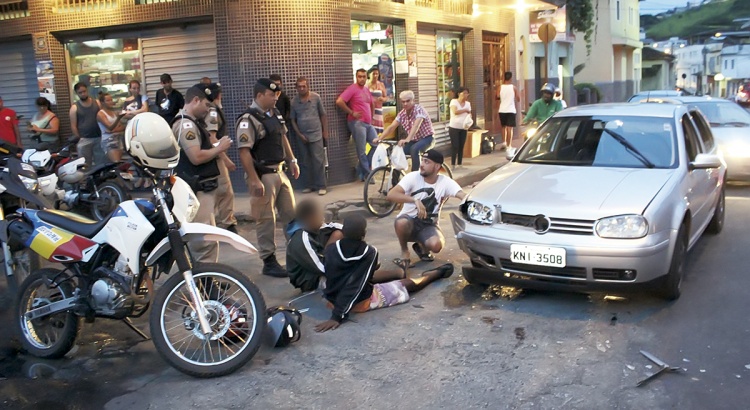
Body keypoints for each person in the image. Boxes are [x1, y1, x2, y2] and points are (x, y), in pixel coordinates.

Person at [314, 214, 454, 332]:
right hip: (359, 302)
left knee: (367, 275)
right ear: (363, 234)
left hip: (332, 300)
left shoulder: (331, 248)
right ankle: (435, 274)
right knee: (404, 285)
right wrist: (337, 316)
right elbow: (356, 285)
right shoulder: (370, 252)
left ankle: (400, 272)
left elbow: (334, 277)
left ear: (343, 231)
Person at [236, 78, 300, 278]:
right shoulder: (248, 119)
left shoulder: (275, 114)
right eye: (272, 95)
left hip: (280, 172)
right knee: (265, 219)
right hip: (263, 175)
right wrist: (254, 180)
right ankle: (269, 261)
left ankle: (298, 255)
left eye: (277, 95)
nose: (275, 98)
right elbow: (244, 152)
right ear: (259, 95)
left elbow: (283, 138)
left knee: (291, 215)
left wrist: (292, 160)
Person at [172, 85, 232, 263]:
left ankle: (208, 278)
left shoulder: (192, 122)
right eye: (206, 105)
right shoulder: (185, 123)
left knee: (207, 240)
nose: (207, 109)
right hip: (197, 191)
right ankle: (206, 283)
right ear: (195, 100)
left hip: (202, 190)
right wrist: (219, 148)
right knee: (204, 242)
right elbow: (196, 157)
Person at [386, 149, 466, 268]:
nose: (422, 165)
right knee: (401, 222)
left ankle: (422, 246)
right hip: (409, 222)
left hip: (428, 225)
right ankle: (404, 251)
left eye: (427, 162)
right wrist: (414, 200)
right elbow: (391, 194)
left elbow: (463, 196)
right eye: (422, 160)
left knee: (436, 245)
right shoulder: (413, 177)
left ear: (437, 166)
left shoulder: (445, 182)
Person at [201, 82, 238, 234]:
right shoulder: (212, 112)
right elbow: (212, 138)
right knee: (224, 191)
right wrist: (226, 160)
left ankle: (221, 222)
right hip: (215, 157)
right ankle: (226, 224)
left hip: (213, 155)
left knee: (222, 191)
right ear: (218, 95)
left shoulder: (211, 110)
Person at [285, 198, 343, 292]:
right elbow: (321, 268)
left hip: (322, 263)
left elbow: (344, 229)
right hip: (310, 280)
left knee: (338, 233)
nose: (322, 217)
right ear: (309, 219)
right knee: (354, 278)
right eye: (319, 215)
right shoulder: (301, 239)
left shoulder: (316, 226)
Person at [376, 90, 434, 173]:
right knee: (396, 152)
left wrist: (407, 139)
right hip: (414, 140)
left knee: (414, 149)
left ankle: (415, 176)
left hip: (427, 139)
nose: (405, 104)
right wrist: (380, 138)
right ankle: (395, 183)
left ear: (413, 100)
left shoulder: (419, 109)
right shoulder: (402, 114)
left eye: (408, 101)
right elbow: (391, 127)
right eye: (403, 102)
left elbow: (416, 126)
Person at [336, 68, 377, 181]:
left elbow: (372, 103)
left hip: (368, 123)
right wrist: (352, 112)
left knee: (376, 145)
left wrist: (372, 117)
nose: (362, 78)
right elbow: (339, 101)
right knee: (361, 150)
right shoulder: (352, 89)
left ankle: (360, 168)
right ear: (356, 77)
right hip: (357, 123)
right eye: (360, 76)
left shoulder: (366, 89)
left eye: (364, 76)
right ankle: (368, 175)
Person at [290, 77, 329, 195]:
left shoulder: (316, 97)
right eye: (299, 86)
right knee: (305, 161)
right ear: (296, 88)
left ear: (308, 86)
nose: (302, 88)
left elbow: (323, 115)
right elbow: (292, 120)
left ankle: (321, 186)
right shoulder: (294, 102)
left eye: (304, 86)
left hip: (316, 134)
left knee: (318, 161)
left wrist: (325, 132)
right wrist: (299, 134)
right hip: (302, 136)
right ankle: (309, 185)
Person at [68, 82, 101, 166]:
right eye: (80, 92)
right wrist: (79, 138)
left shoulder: (97, 103)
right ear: (77, 94)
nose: (83, 94)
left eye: (84, 91)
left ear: (87, 90)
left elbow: (103, 117)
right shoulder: (74, 107)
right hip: (84, 139)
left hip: (99, 138)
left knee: (101, 163)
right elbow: (73, 125)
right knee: (85, 165)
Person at [96, 92, 126, 163]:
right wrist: (118, 118)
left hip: (118, 138)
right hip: (109, 140)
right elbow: (109, 127)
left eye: (111, 100)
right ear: (102, 102)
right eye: (108, 100)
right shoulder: (100, 114)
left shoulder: (113, 112)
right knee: (116, 161)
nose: (111, 102)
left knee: (119, 160)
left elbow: (122, 127)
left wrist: (113, 131)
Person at [448, 87, 471, 168]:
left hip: (463, 127)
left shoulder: (468, 104)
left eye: (467, 93)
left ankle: (460, 163)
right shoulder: (454, 101)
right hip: (454, 127)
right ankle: (453, 164)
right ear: (459, 94)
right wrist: (465, 110)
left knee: (461, 146)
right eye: (463, 93)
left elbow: (469, 113)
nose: (465, 95)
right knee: (455, 145)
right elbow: (455, 111)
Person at [498, 71, 520, 150]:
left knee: (503, 127)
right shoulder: (513, 87)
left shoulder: (500, 87)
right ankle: (509, 145)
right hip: (511, 110)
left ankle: (504, 142)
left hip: (502, 109)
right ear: (511, 78)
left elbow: (497, 96)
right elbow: (518, 99)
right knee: (510, 128)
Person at [366, 66, 388, 134]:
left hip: (378, 110)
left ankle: (377, 142)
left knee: (378, 130)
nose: (375, 76)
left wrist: (383, 99)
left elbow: (386, 97)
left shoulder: (381, 84)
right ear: (369, 74)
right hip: (368, 109)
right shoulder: (366, 85)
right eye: (373, 74)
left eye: (377, 74)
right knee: (370, 128)